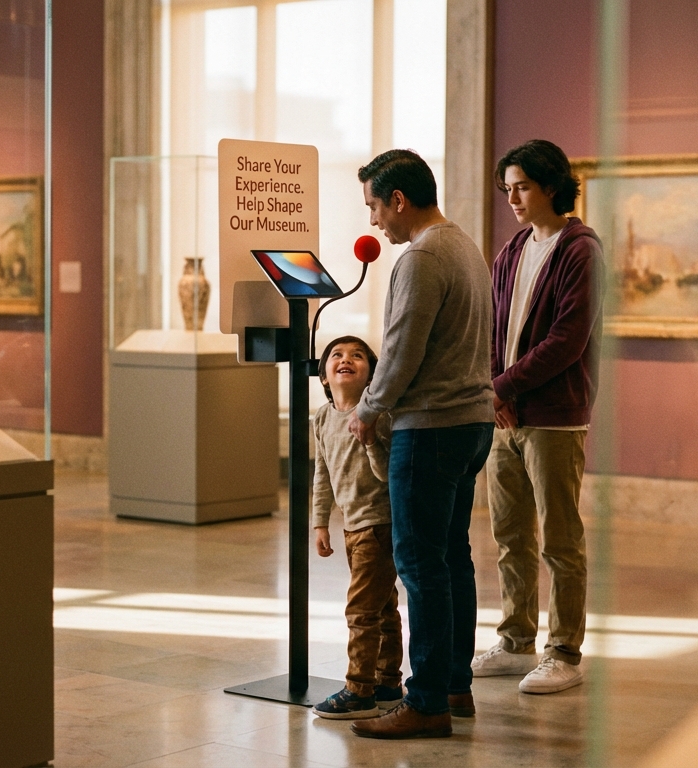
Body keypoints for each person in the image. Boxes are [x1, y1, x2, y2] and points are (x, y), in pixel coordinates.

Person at [345, 149, 495, 740]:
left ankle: (427, 700)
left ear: (399, 200)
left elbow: (403, 347)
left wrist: (369, 408)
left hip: (430, 428)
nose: (375, 221)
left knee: (419, 565)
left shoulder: (422, 257)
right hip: (470, 422)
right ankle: (455, 684)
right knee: (451, 556)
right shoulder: (464, 245)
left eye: (375, 207)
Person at [470, 139, 603, 695]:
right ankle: (516, 638)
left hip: (553, 417)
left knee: (559, 539)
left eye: (522, 187)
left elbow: (566, 341)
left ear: (551, 185)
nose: (513, 198)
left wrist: (501, 385)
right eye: (507, 189)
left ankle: (564, 650)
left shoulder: (580, 251)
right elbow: (493, 327)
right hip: (506, 414)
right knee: (509, 534)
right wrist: (493, 390)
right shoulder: (512, 250)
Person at [309, 335, 404, 720]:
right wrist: (320, 522)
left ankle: (359, 689)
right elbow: (322, 473)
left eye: (357, 355)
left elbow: (387, 475)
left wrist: (368, 442)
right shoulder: (322, 417)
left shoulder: (378, 416)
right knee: (383, 608)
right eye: (337, 355)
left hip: (379, 524)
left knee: (361, 610)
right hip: (352, 527)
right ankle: (387, 683)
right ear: (325, 376)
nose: (346, 359)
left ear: (372, 376)